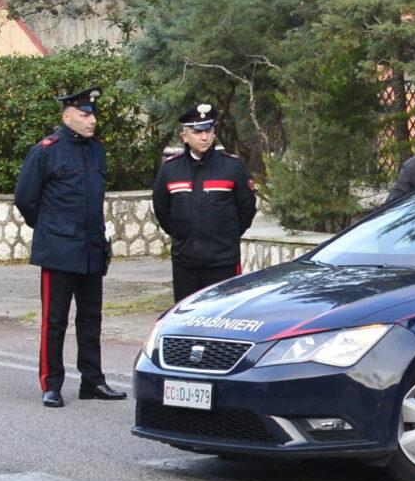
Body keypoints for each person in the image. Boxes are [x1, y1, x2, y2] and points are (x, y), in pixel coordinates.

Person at [13, 87, 124, 408]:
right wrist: (50, 230)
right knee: (55, 320)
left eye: (94, 114)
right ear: (67, 116)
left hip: (91, 247)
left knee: (91, 318)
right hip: (59, 249)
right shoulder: (47, 151)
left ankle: (93, 380)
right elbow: (25, 198)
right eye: (85, 114)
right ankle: (52, 383)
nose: (92, 120)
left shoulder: (96, 151)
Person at [150, 99, 257, 304]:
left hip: (222, 262)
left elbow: (246, 210)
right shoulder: (171, 170)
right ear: (185, 136)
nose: (204, 137)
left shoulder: (232, 167)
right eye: (198, 132)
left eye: (208, 131)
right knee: (185, 320)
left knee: (224, 319)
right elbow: (162, 209)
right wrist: (182, 236)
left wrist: (226, 236)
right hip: (186, 264)